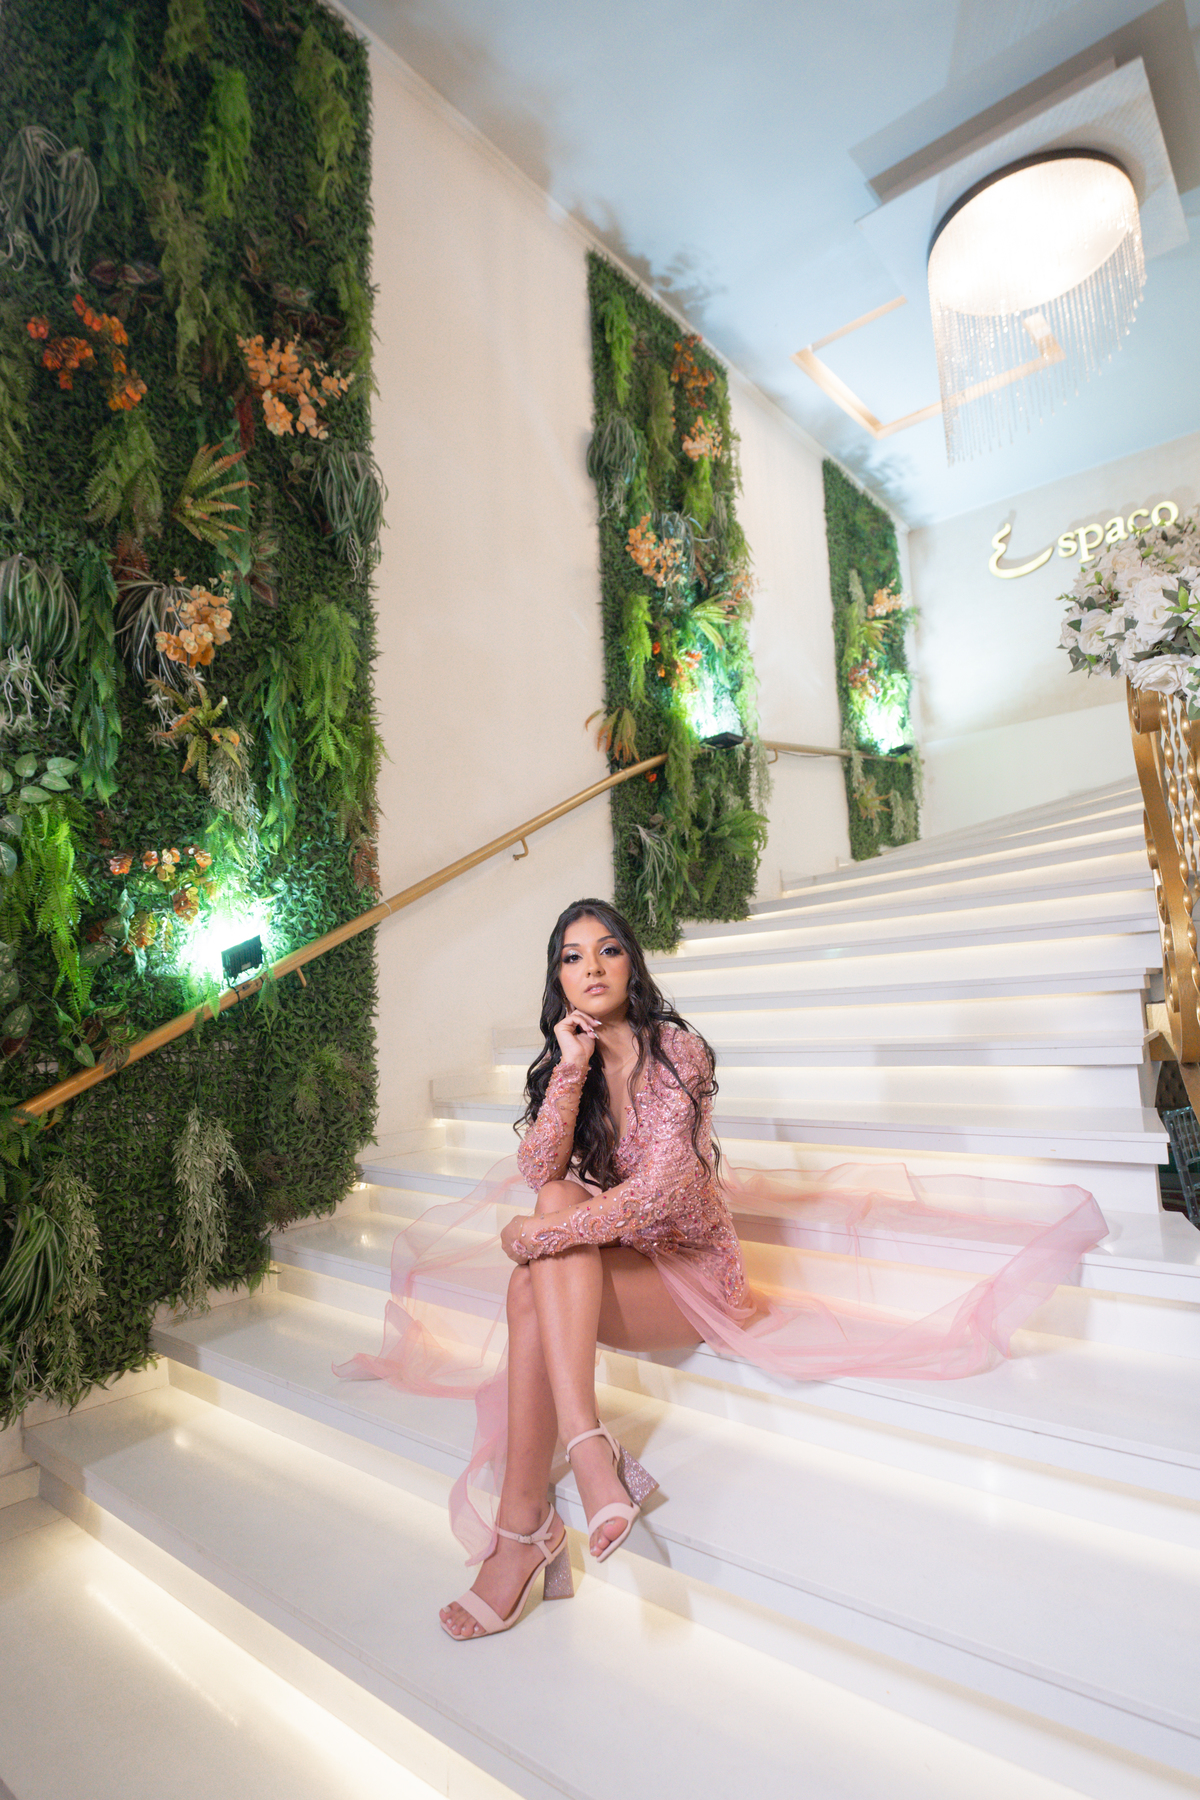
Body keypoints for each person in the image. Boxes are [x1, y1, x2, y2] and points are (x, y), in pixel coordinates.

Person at [336, 897, 1108, 1642]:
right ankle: (570, 1472)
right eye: (573, 957)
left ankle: (533, 1517)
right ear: (559, 979)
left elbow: (665, 1188)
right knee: (555, 1201)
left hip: (693, 1273)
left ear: (632, 965)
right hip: (621, 1256)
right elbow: (539, 1168)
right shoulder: (565, 1058)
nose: (592, 967)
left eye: (608, 950)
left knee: (539, 1256)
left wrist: (544, 1237)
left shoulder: (678, 1052)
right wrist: (569, 1070)